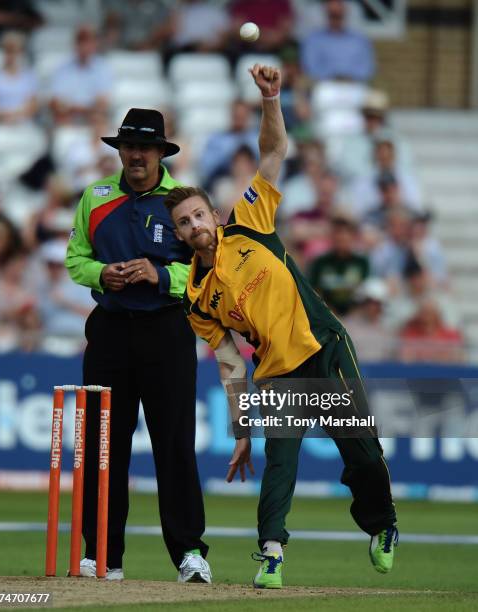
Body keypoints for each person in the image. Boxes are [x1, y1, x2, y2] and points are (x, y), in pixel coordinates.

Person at [164, 65, 398, 589]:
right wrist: (241, 428)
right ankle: (271, 553)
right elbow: (228, 363)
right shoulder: (198, 298)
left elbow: (271, 154)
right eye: (184, 222)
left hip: (322, 345)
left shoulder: (248, 222)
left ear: (212, 215)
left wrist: (271, 100)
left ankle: (382, 524)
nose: (195, 225)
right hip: (276, 371)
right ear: (179, 235)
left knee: (361, 450)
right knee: (279, 462)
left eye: (199, 215)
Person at [65, 108, 211, 582]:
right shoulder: (97, 197)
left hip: (167, 332)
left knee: (173, 443)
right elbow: (75, 260)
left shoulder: (181, 201)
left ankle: (189, 552)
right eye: (128, 146)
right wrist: (101, 274)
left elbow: (209, 269)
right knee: (102, 446)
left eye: (145, 147)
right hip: (109, 329)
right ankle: (102, 553)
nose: (135, 154)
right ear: (120, 151)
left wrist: (162, 274)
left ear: (161, 152)